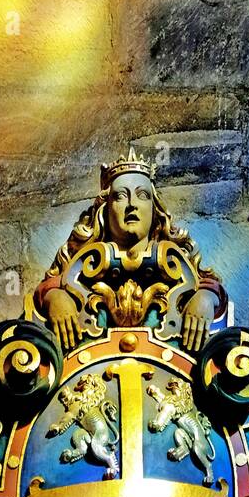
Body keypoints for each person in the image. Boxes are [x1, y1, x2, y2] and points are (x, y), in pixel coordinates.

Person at [34, 151, 227, 353]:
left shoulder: (176, 264)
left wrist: (205, 297)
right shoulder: (79, 267)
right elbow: (51, 284)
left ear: (155, 209)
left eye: (142, 195)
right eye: (120, 196)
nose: (132, 205)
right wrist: (54, 297)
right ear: (105, 210)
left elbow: (208, 284)